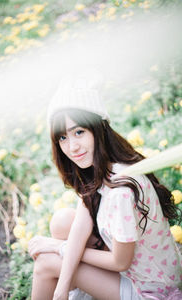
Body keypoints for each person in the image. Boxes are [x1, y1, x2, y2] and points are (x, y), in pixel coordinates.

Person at [28, 75, 182, 300]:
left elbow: (120, 262)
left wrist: (58, 248)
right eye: (62, 137)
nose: (72, 147)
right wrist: (62, 286)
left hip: (150, 290)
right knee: (63, 222)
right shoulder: (104, 167)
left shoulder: (121, 190)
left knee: (45, 262)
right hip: (137, 270)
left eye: (79, 132)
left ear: (97, 129)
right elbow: (81, 222)